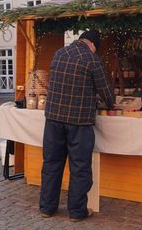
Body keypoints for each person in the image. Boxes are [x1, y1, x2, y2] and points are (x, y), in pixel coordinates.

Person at [39, 30, 115, 222]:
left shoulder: (59, 53)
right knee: (80, 167)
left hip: (53, 120)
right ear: (93, 45)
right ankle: (77, 211)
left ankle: (47, 208)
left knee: (51, 164)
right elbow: (107, 93)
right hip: (79, 121)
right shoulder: (92, 59)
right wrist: (110, 101)